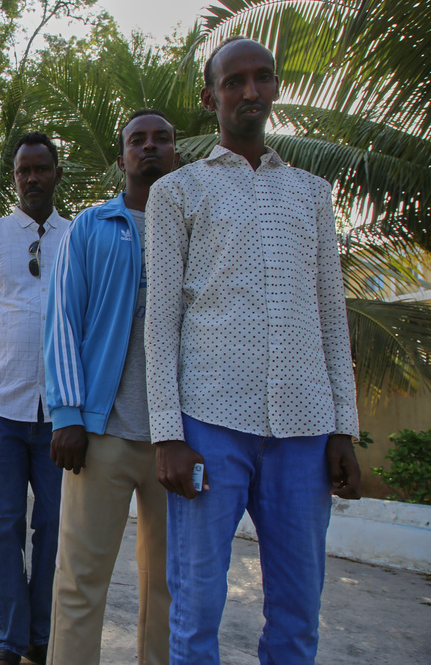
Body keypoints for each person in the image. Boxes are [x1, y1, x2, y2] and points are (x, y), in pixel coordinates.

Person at [143, 38, 362, 665]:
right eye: (233, 81)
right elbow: (161, 321)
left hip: (305, 431)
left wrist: (342, 428)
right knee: (196, 609)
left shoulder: (311, 194)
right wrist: (167, 436)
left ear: (274, 89)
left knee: (298, 612)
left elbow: (330, 315)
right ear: (209, 96)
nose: (249, 91)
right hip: (210, 427)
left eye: (261, 78)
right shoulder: (178, 193)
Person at [44, 110, 178, 665]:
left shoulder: (197, 223)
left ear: (176, 152)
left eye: (161, 139)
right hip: (103, 433)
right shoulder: (92, 226)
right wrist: (68, 414)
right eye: (136, 140)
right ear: (121, 156)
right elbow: (62, 321)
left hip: (181, 437)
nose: (149, 147)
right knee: (80, 583)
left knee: (171, 587)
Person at [0, 132, 70, 665]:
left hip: (60, 415)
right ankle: (11, 640)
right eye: (23, 170)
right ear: (14, 177)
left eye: (41, 168)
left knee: (52, 528)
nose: (32, 178)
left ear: (55, 173)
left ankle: (43, 637)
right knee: (2, 525)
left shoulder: (77, 237)